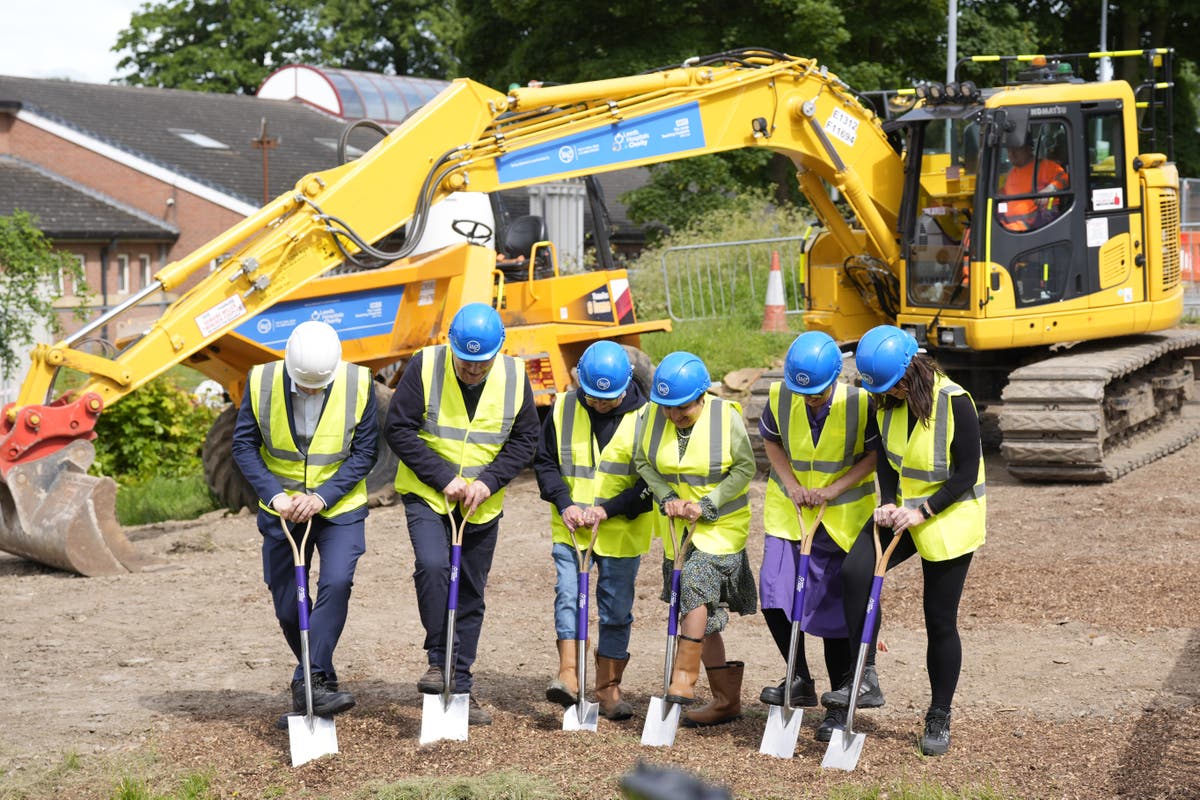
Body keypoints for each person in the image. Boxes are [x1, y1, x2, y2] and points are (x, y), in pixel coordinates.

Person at [385, 302, 539, 726]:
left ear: (498, 351)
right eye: (466, 362)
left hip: (481, 504)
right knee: (433, 567)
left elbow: (527, 440)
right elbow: (397, 428)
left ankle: (461, 684)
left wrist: (489, 481)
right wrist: (443, 478)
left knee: (470, 591)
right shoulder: (425, 366)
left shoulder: (513, 377)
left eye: (481, 363)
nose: (473, 370)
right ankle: (439, 661)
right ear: (450, 345)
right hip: (429, 495)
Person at [842, 324, 986, 756]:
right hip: (905, 512)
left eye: (898, 385)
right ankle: (865, 673)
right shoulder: (884, 400)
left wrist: (922, 511)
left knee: (938, 620)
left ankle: (939, 714)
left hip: (949, 517)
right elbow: (886, 458)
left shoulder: (954, 401)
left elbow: (965, 472)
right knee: (853, 573)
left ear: (914, 368)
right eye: (886, 389)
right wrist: (888, 501)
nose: (894, 393)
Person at [231, 319, 378, 727]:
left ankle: (307, 680)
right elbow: (244, 444)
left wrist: (322, 497)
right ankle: (320, 680)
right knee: (285, 602)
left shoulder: (358, 383)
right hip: (281, 507)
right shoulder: (260, 381)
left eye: (319, 385)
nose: (311, 391)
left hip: (338, 507)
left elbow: (365, 453)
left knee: (336, 583)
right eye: (304, 386)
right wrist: (275, 495)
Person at [757, 331, 879, 743]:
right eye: (803, 392)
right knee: (774, 593)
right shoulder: (781, 395)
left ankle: (839, 702)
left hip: (839, 517)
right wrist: (791, 484)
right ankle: (799, 678)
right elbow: (771, 442)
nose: (810, 398)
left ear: (836, 378)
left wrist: (833, 490)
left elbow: (874, 457)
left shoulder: (860, 403)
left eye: (818, 393)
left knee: (831, 614)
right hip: (790, 512)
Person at [634, 351, 757, 728]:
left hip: (721, 526)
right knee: (695, 611)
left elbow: (745, 468)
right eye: (667, 408)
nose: (672, 416)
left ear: (702, 396)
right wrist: (667, 497)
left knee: (695, 585)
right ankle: (725, 701)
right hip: (678, 528)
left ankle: (682, 679)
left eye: (681, 409)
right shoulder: (652, 415)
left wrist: (707, 503)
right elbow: (643, 463)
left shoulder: (726, 416)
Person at [533, 340, 653, 720]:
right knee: (568, 595)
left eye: (609, 399)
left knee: (616, 610)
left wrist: (608, 510)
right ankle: (568, 675)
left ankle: (608, 688)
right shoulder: (563, 407)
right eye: (593, 397)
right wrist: (564, 503)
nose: (599, 404)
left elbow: (651, 481)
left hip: (621, 531)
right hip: (571, 527)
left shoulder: (648, 418)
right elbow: (545, 462)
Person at [998, 136, 1069, 232]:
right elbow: (1007, 192)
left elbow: (1065, 179)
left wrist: (1050, 189)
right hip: (1010, 226)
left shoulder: (1045, 167)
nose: (1011, 154)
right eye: (1009, 151)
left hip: (1033, 226)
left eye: (1016, 149)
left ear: (1028, 149)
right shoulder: (1011, 172)